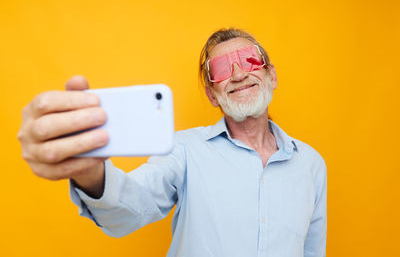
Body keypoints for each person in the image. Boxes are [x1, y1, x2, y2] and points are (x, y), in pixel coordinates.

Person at [18, 28, 327, 257]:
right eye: (220, 70)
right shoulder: (182, 150)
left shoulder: (311, 164)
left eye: (248, 60)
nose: (236, 73)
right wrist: (90, 173)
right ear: (212, 94)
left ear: (271, 75)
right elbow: (131, 209)